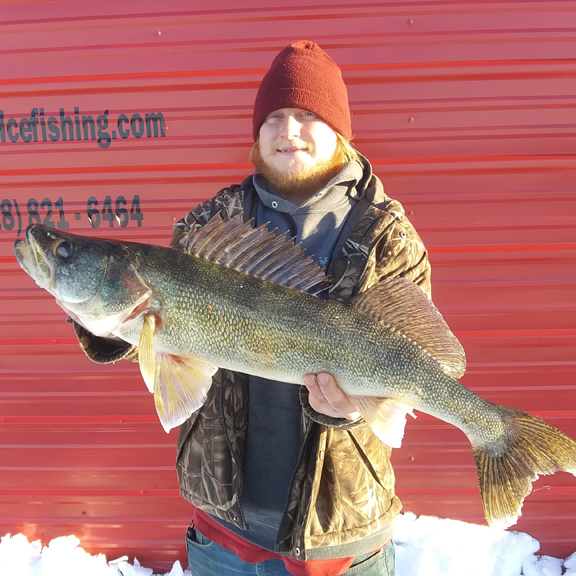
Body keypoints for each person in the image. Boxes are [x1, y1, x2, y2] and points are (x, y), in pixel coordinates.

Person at [73, 40, 431, 576]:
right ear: (257, 135)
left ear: (340, 132)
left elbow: (413, 361)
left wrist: (354, 408)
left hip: (341, 542)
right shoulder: (210, 224)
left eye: (308, 115)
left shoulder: (388, 237)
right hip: (224, 534)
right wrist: (100, 319)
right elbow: (165, 337)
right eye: (275, 117)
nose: (288, 130)